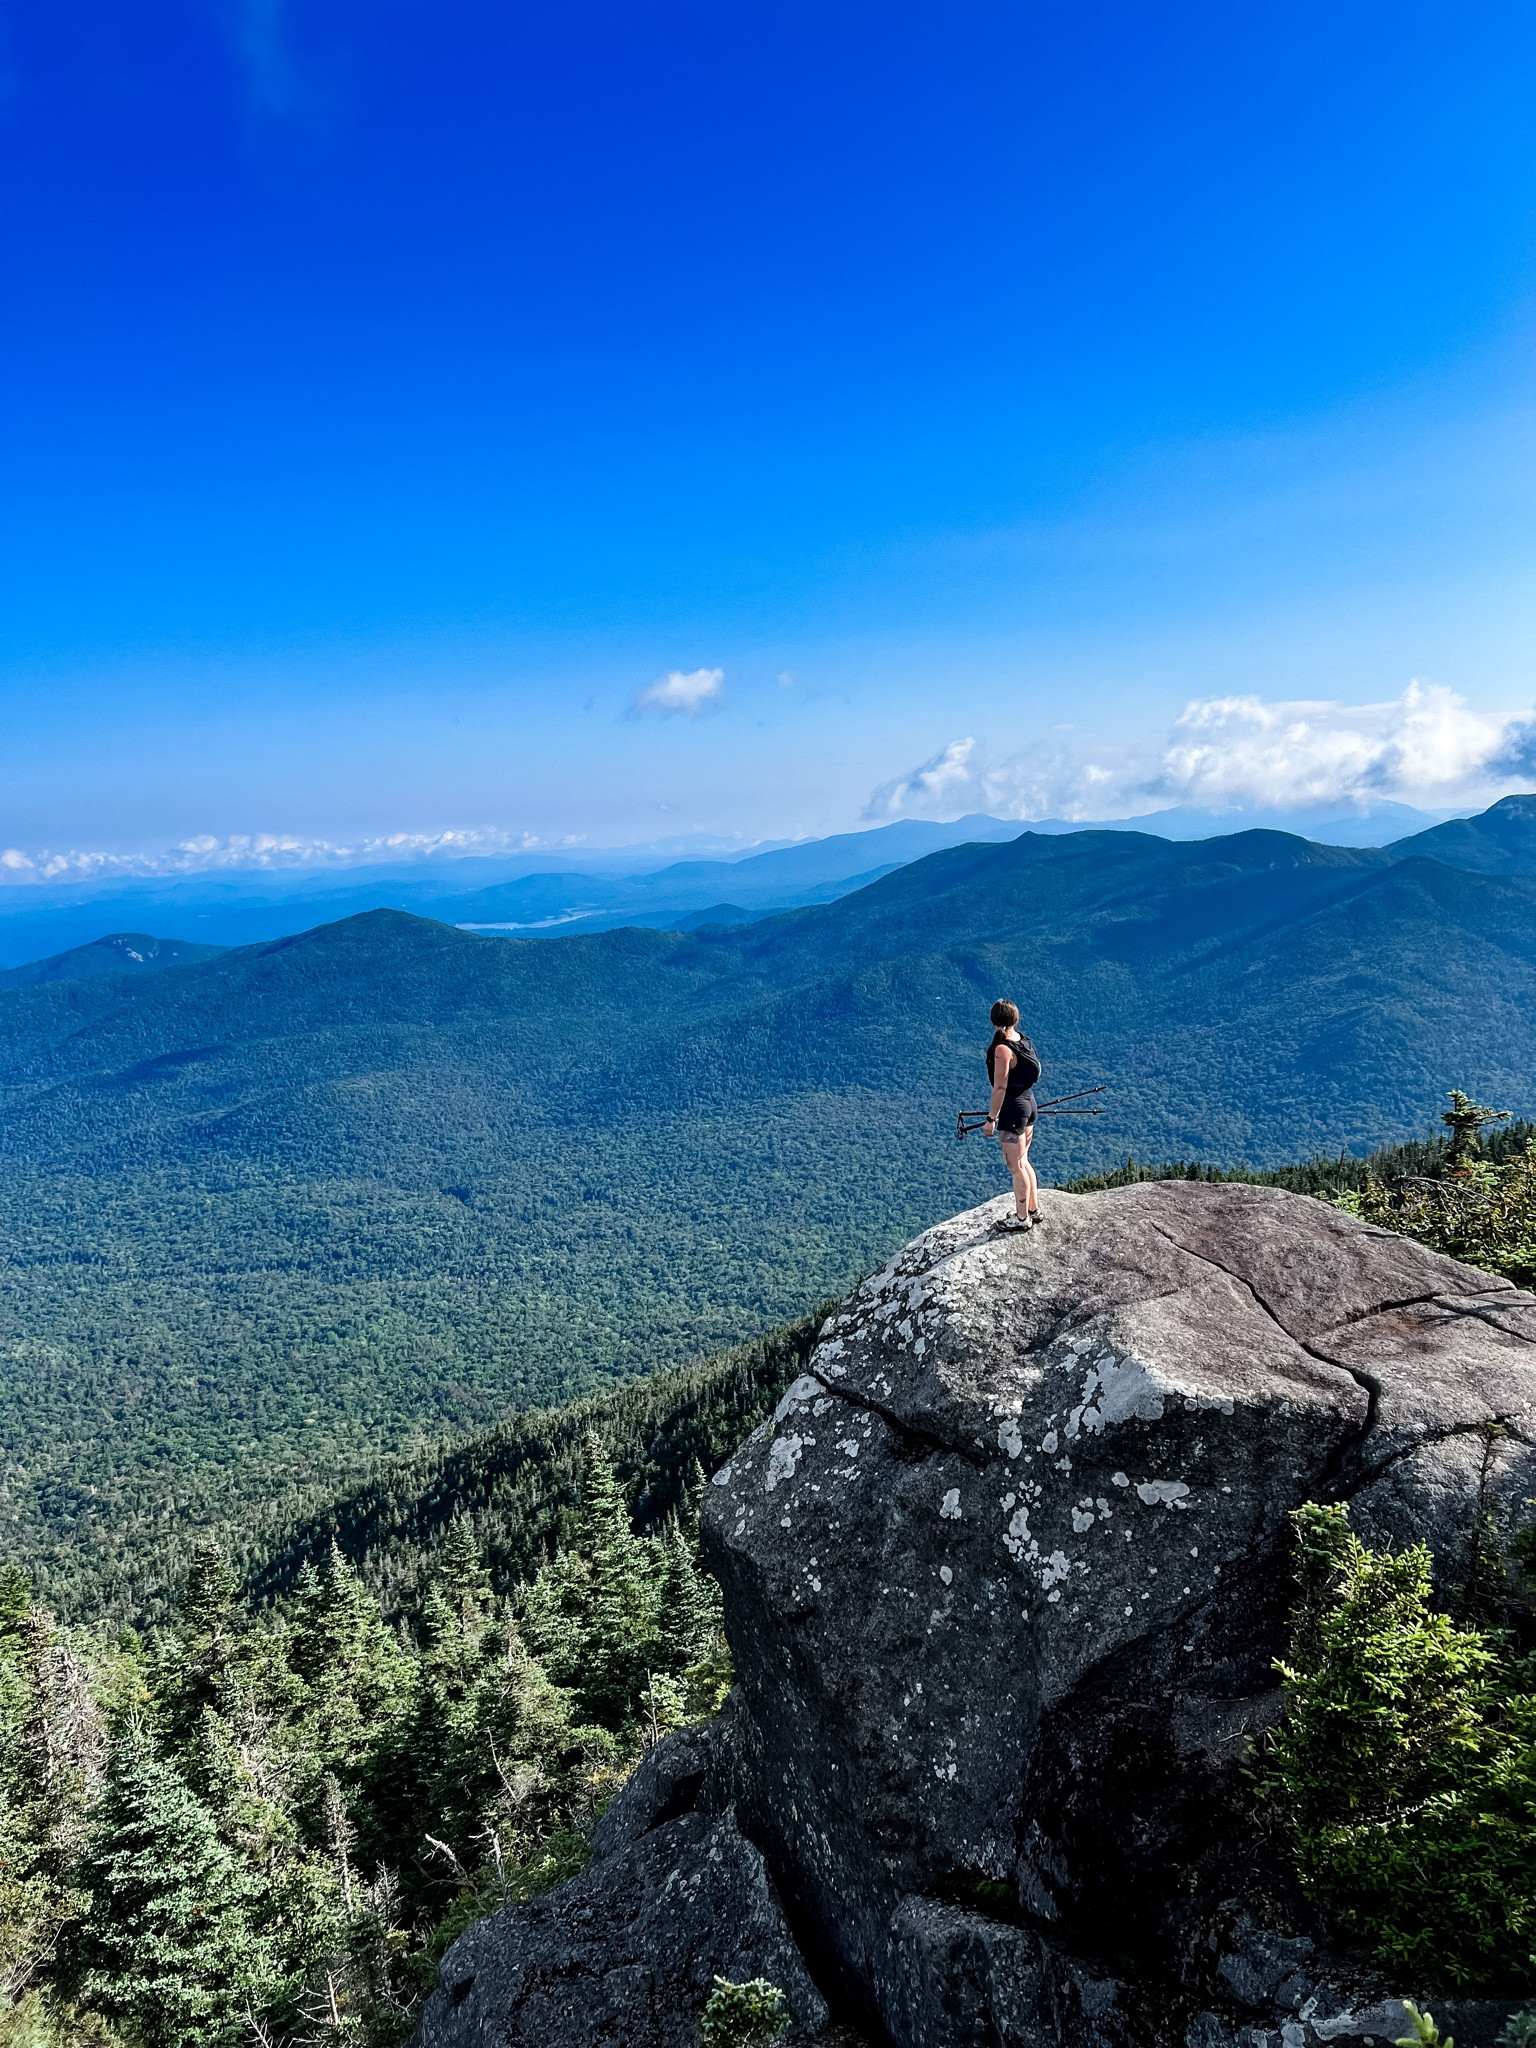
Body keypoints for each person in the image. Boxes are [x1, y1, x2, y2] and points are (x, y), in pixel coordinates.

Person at [982, 999, 1041, 1231]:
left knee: (1015, 1167)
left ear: (995, 1021)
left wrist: (991, 1119)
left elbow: (1000, 1087)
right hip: (1029, 1104)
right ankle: (1033, 1210)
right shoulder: (1022, 1040)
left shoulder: (1002, 1049)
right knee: (1024, 1162)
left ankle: (1021, 1219)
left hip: (1013, 1111)